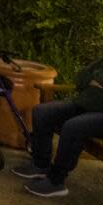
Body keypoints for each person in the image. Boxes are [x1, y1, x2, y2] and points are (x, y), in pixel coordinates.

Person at [12, 57, 103, 197]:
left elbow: (91, 80)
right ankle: (40, 165)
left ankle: (56, 181)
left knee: (73, 127)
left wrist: (95, 81)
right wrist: (93, 81)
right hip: (84, 104)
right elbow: (80, 78)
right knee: (42, 112)